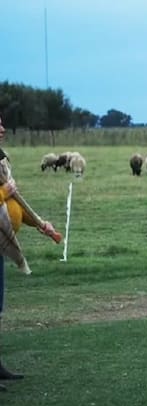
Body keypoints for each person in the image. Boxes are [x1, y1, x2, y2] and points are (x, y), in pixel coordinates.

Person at [0, 116, 55, 391]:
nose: (2, 129)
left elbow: (16, 202)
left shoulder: (2, 162)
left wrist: (40, 224)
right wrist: (2, 192)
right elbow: (6, 195)